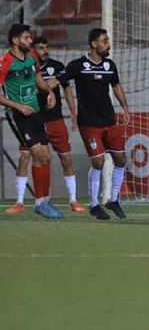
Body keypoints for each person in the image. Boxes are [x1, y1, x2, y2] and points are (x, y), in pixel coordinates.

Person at [5, 36, 84, 215]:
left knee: (66, 158)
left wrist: (73, 113)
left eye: (46, 47)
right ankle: (20, 202)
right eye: (41, 47)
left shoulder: (56, 66)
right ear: (33, 49)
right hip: (32, 118)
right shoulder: (25, 66)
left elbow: (67, 89)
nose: (45, 51)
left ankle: (73, 200)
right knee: (25, 157)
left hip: (55, 119)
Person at [59, 28, 130, 220]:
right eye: (104, 41)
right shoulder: (78, 65)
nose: (108, 44)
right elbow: (62, 81)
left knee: (121, 159)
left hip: (109, 120)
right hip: (89, 123)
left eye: (108, 41)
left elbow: (116, 85)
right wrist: (67, 106)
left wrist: (125, 107)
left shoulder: (109, 65)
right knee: (98, 161)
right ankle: (94, 204)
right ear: (94, 44)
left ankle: (113, 200)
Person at [0, 24, 61, 218]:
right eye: (26, 38)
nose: (30, 41)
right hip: (18, 115)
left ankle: (45, 201)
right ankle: (39, 203)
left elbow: (38, 78)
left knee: (46, 156)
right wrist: (18, 106)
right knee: (36, 154)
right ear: (15, 41)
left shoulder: (32, 57)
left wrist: (49, 92)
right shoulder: (5, 62)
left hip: (35, 112)